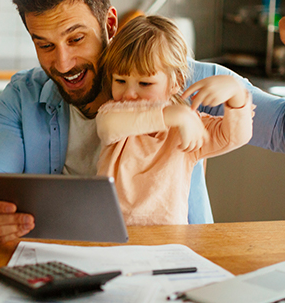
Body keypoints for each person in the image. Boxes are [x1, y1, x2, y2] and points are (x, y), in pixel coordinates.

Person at [0, 0, 285, 247]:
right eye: (44, 44)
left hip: (175, 264)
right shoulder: (22, 96)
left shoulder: (188, 83)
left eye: (76, 39)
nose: (63, 62)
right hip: (62, 265)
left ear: (109, 23)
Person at [94, 15, 253, 226]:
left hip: (167, 245)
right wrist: (174, 115)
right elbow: (107, 125)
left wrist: (236, 93)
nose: (129, 94)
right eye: (120, 80)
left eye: (145, 83)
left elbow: (235, 137)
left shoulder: (189, 125)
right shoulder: (114, 113)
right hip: (111, 237)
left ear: (176, 82)